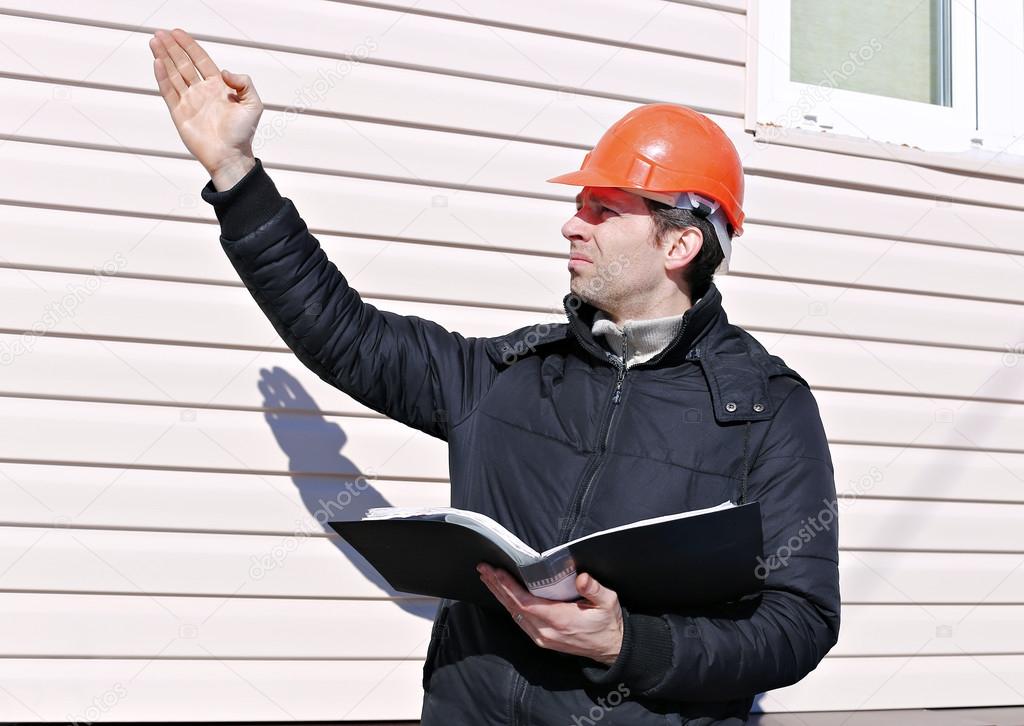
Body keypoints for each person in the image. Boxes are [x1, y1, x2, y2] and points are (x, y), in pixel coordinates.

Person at [150, 26, 840, 726]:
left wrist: (632, 643)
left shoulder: (765, 409)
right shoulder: (509, 374)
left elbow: (799, 621)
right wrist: (236, 174)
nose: (573, 225)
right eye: (579, 206)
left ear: (681, 242)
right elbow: (343, 333)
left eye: (603, 209)